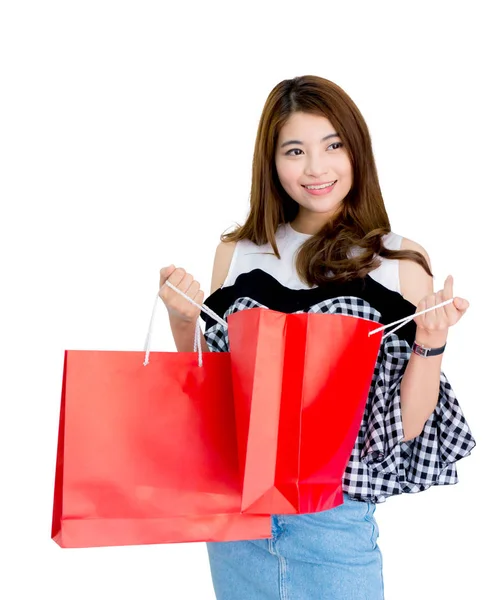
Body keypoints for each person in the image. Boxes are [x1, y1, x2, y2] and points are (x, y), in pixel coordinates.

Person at [158, 75, 476, 600]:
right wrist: (182, 319)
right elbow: (213, 396)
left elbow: (408, 424)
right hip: (236, 519)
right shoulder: (238, 252)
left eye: (333, 145)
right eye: (295, 150)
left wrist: (431, 341)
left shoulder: (397, 260)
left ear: (357, 151)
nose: (316, 168)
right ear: (272, 161)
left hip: (334, 523)